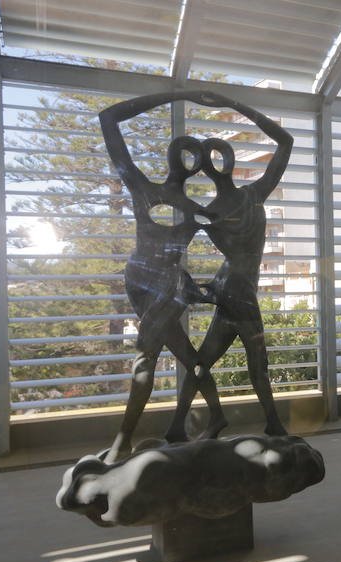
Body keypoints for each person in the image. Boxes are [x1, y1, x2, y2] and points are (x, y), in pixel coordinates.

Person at [99, 91, 227, 463]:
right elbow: (110, 119)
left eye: (194, 157)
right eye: (184, 153)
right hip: (139, 281)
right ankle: (217, 416)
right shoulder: (145, 188)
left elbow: (234, 238)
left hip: (168, 286)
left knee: (145, 359)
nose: (187, 161)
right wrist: (179, 93)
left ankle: (122, 441)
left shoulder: (191, 208)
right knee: (186, 354)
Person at [168, 91, 292, 439]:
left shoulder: (215, 210)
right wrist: (239, 107)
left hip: (231, 294)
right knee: (249, 368)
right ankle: (184, 426)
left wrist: (236, 105)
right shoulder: (246, 198)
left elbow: (285, 143)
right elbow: (286, 142)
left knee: (215, 365)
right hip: (233, 294)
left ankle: (185, 426)